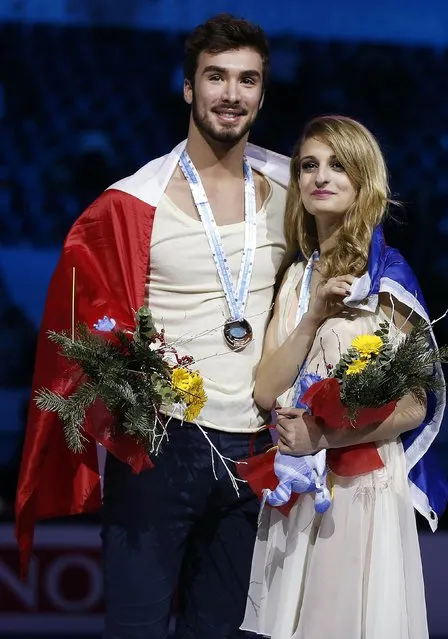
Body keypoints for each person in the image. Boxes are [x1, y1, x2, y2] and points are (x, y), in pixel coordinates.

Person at [15, 14, 290, 639]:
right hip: (162, 446)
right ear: (188, 88)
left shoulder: (291, 186)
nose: (232, 94)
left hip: (258, 450)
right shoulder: (133, 202)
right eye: (215, 77)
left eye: (247, 80)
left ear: (262, 94)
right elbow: (87, 327)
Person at [241, 115, 448, 639]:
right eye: (309, 165)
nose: (320, 176)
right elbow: (266, 390)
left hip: (363, 486)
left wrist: (326, 433)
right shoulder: (295, 276)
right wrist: (311, 314)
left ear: (363, 180)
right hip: (298, 488)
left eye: (338, 165)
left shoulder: (386, 280)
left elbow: (414, 405)